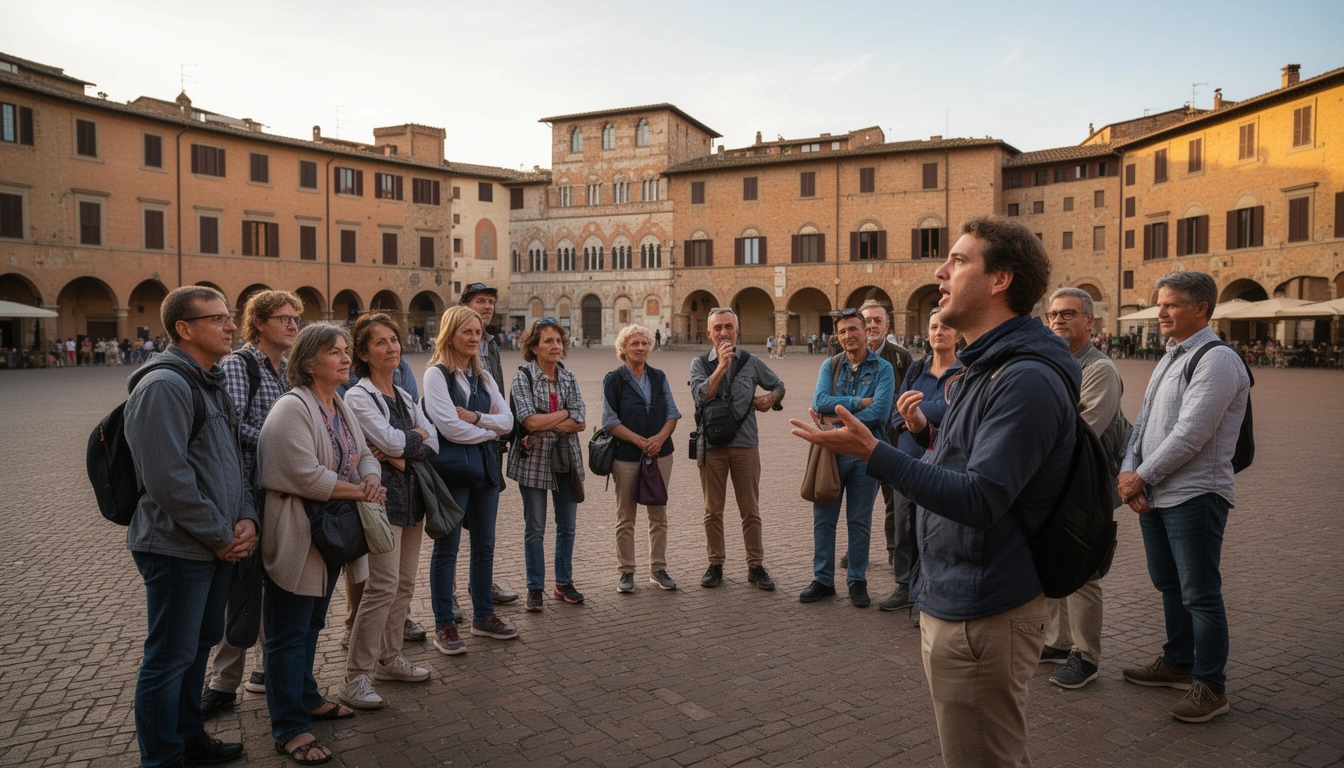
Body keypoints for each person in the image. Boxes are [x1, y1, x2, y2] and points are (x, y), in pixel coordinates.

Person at [790, 217, 1076, 767]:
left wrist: (876, 453)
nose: (941, 272)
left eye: (959, 261)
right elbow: (961, 459)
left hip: (983, 606)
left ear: (1000, 280)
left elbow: (981, 497)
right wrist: (919, 437)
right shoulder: (986, 368)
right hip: (958, 594)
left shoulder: (1023, 378)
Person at [124, 285, 256, 768]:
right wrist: (222, 535)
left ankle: (188, 736)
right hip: (178, 548)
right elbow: (167, 480)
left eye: (230, 316)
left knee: (197, 647)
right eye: (218, 318)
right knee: (168, 659)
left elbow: (233, 461)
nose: (231, 326)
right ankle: (162, 759)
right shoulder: (164, 386)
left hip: (216, 545)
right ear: (185, 328)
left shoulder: (209, 380)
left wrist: (245, 516)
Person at [1119, 271, 1249, 723]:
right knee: (1168, 583)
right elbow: (1143, 423)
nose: (1161, 313)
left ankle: (1211, 686)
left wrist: (1141, 477)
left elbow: (1192, 434)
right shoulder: (1172, 355)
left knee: (1200, 593)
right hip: (1156, 492)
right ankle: (1178, 661)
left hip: (1195, 494)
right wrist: (1128, 471)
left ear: (1201, 309)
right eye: (1161, 304)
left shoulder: (1218, 360)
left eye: (1172, 305)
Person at [256, 323, 385, 765]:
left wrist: (370, 475)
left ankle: (307, 697)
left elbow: (364, 452)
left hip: (326, 536)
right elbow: (303, 475)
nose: (346, 357)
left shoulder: (337, 403)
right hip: (296, 533)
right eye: (335, 352)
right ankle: (290, 727)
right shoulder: (292, 408)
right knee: (287, 634)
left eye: (347, 350)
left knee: (310, 624)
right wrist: (361, 491)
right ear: (309, 362)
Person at [202, 290, 303, 718]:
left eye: (296, 319)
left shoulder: (286, 372)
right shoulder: (240, 365)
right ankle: (224, 683)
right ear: (258, 324)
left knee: (276, 580)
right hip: (248, 492)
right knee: (242, 587)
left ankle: (264, 669)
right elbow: (232, 424)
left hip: (278, 491)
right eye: (284, 319)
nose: (293, 326)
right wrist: (284, 440)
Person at [337, 314, 436, 709]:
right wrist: (411, 443)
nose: (392, 347)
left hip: (413, 497)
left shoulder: (404, 395)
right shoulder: (359, 396)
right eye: (380, 342)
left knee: (405, 584)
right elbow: (395, 442)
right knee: (380, 588)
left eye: (394, 340)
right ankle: (355, 675)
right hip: (382, 501)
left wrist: (403, 449)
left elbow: (429, 443)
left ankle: (390, 656)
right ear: (362, 353)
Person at [1039, 287, 1129, 690]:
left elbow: (1084, 429)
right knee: (1054, 559)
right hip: (1056, 478)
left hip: (1087, 482)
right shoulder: (1052, 363)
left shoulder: (1098, 368)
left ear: (1089, 322)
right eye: (1054, 314)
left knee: (1084, 569)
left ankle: (1086, 655)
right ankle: (1058, 641)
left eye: (1069, 314)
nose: (1059, 320)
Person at [424, 305, 517, 654]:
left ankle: (483, 615)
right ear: (450, 334)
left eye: (477, 333)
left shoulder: (484, 376)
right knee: (447, 547)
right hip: (454, 471)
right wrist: (487, 429)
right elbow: (448, 426)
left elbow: (507, 421)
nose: (475, 338)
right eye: (467, 332)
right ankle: (444, 623)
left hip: (486, 469)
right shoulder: (436, 375)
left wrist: (476, 418)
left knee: (485, 545)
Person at [801, 309, 893, 608]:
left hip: (866, 453)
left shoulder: (883, 369)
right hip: (832, 453)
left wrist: (836, 418)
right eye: (842, 332)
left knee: (860, 520)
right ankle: (823, 580)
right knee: (823, 519)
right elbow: (819, 401)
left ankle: (857, 580)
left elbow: (880, 411)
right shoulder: (830, 365)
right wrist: (858, 402)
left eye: (853, 329)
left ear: (866, 331)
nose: (848, 336)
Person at [690, 308, 785, 591]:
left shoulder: (751, 362)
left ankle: (755, 566)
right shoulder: (699, 364)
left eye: (728, 327)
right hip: (712, 447)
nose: (723, 332)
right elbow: (700, 395)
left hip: (745, 444)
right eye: (717, 327)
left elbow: (778, 384)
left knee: (750, 510)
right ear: (709, 333)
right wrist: (720, 366)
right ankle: (715, 564)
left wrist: (771, 397)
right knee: (712, 510)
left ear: (737, 330)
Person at [876, 307, 962, 613]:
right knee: (905, 528)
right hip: (908, 459)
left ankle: (928, 594)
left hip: (942, 463)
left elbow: (955, 413)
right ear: (927, 333)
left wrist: (919, 413)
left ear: (958, 334)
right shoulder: (915, 370)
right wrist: (916, 416)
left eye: (946, 327)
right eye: (934, 326)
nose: (939, 331)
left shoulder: (965, 372)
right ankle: (904, 587)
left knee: (936, 532)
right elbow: (899, 409)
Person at [509, 318, 588, 610]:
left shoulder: (569, 377)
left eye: (558, 341)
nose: (555, 346)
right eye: (548, 342)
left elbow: (580, 421)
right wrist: (564, 414)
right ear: (534, 347)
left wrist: (546, 421)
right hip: (533, 461)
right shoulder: (523, 378)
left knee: (567, 526)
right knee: (536, 527)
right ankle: (535, 588)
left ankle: (563, 582)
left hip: (566, 458)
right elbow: (528, 420)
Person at [601, 324, 680, 593]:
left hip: (660, 454)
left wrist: (658, 440)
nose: (641, 348)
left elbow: (672, 412)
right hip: (626, 456)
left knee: (658, 514)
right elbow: (609, 421)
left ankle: (658, 569)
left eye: (644, 343)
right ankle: (626, 571)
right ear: (623, 348)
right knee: (626, 516)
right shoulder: (614, 379)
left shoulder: (658, 376)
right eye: (634, 344)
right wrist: (639, 441)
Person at [459, 282, 519, 608]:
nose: (487, 306)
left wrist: (504, 431)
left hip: (490, 446)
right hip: (463, 447)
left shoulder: (491, 344)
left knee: (484, 530)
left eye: (491, 302)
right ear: (465, 304)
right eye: (480, 300)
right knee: (452, 528)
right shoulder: (454, 347)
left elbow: (497, 395)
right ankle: (449, 598)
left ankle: (481, 585)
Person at [845, 300, 913, 577]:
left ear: (887, 325)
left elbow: (909, 393)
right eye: (867, 320)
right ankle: (855, 550)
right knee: (858, 500)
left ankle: (893, 550)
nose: (872, 325)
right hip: (858, 439)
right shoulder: (846, 356)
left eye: (877, 321)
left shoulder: (900, 357)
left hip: (892, 439)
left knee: (893, 501)